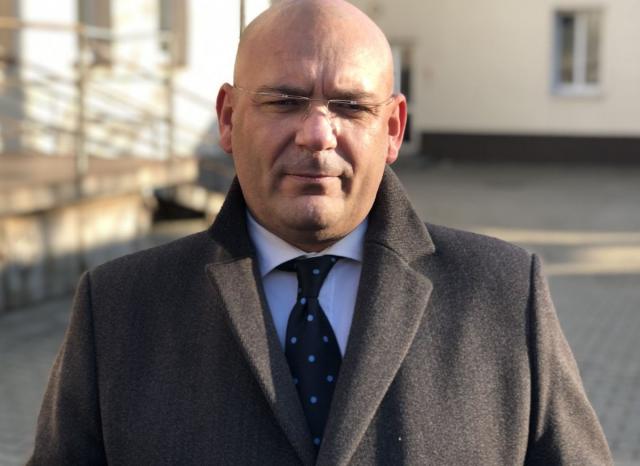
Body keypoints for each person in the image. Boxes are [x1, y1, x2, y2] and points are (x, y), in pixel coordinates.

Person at [29, 0, 612, 464]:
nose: (316, 134)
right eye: (284, 101)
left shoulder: (503, 295)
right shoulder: (119, 309)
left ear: (393, 129)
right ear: (228, 119)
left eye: (350, 106)